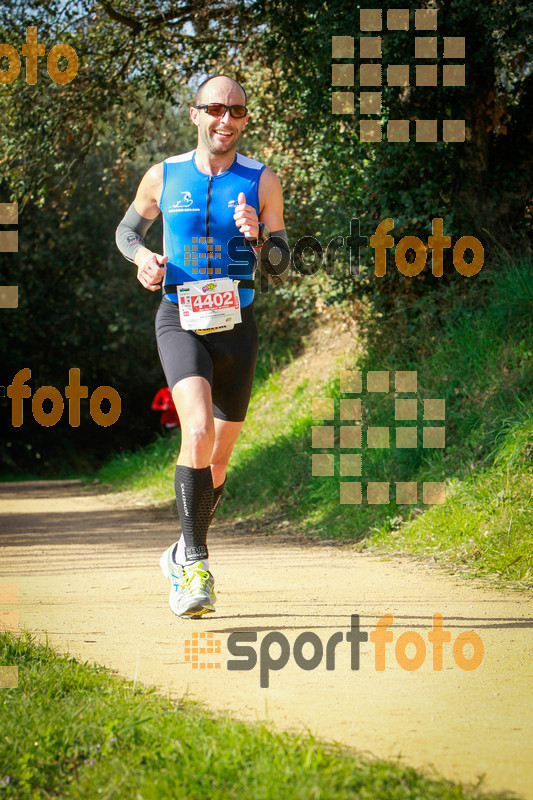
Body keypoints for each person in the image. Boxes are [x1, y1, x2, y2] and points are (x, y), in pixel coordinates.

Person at [116, 74, 290, 618]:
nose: (226, 120)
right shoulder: (163, 175)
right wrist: (143, 260)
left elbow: (282, 261)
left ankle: (175, 552)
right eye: (215, 109)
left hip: (237, 326)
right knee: (196, 430)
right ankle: (195, 566)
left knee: (216, 466)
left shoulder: (262, 180)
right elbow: (126, 234)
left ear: (243, 119)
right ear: (195, 114)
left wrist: (259, 236)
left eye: (236, 112)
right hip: (180, 320)